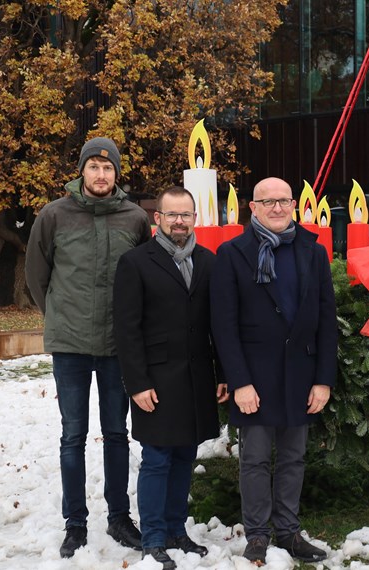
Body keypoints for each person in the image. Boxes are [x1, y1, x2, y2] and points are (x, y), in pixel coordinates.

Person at [25, 136, 151, 558]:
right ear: (82, 170)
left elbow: (145, 278)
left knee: (117, 433)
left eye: (108, 167)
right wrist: (59, 315)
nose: (101, 174)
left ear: (117, 173)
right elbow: (36, 276)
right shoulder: (54, 215)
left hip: (119, 345)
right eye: (94, 167)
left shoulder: (134, 218)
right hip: (72, 346)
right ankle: (75, 523)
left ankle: (119, 518)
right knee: (72, 436)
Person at [210, 177, 337, 566]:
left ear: (294, 205)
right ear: (254, 208)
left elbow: (325, 319)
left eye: (284, 201)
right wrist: (240, 381)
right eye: (269, 202)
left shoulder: (312, 251)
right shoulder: (232, 254)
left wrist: (324, 379)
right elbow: (223, 325)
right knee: (256, 458)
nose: (278, 208)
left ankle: (289, 530)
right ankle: (258, 535)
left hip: (301, 372)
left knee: (293, 457)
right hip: (255, 375)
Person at [113, 186, 229, 569]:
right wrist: (137, 383)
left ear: (194, 219)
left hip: (196, 378)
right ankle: (153, 539)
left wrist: (223, 373)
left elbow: (219, 325)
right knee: (158, 459)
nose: (179, 221)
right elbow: (127, 330)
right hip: (156, 382)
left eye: (186, 215)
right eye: (171, 214)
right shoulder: (136, 263)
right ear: (157, 219)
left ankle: (178, 531)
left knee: (184, 457)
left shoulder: (209, 262)